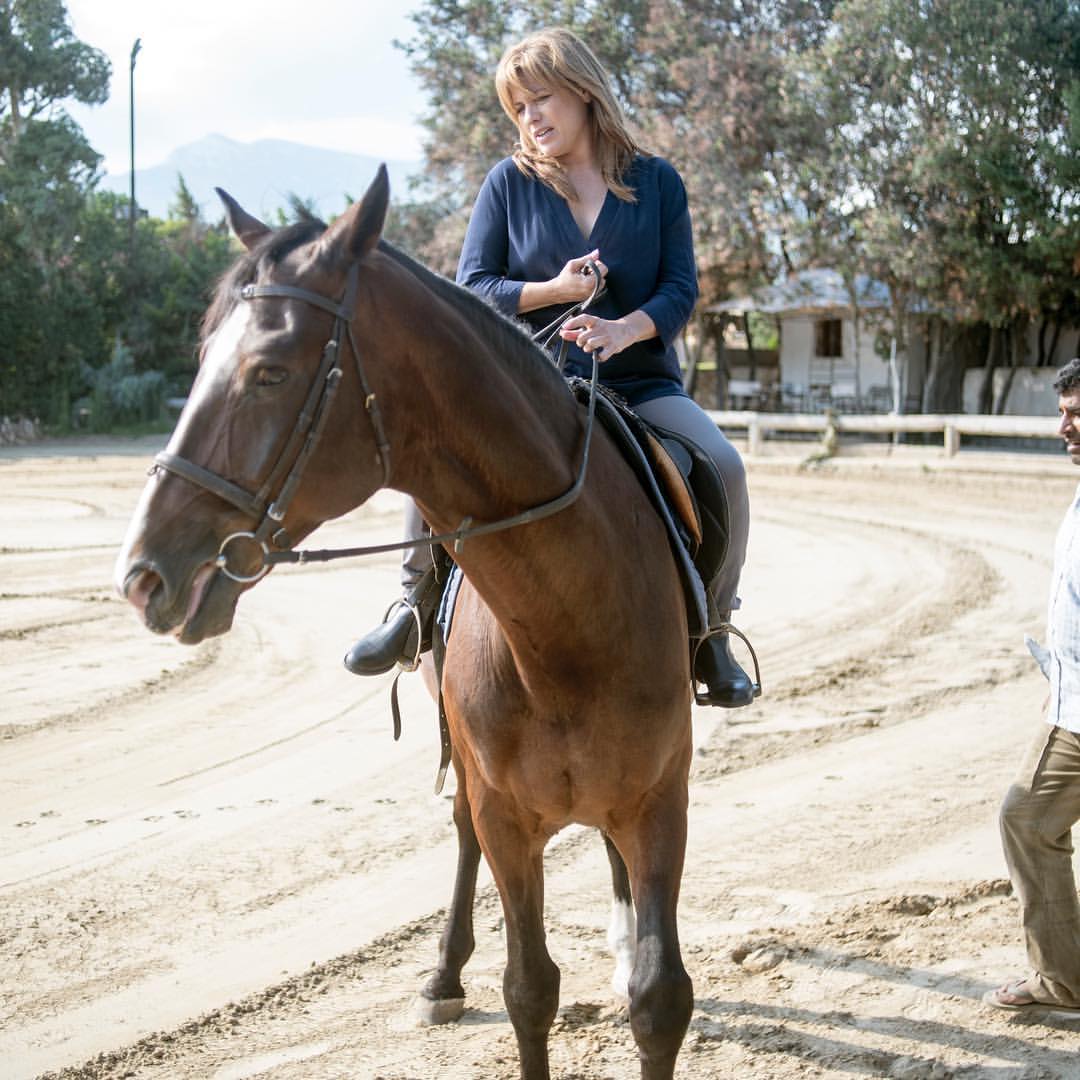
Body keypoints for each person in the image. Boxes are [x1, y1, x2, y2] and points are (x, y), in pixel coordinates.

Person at [344, 26, 754, 708]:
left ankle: (712, 633)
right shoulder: (508, 184)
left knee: (724, 467)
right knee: (435, 458)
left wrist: (625, 330)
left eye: (541, 99)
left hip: (641, 385)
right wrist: (555, 293)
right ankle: (411, 611)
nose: (530, 118)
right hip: (530, 391)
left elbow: (681, 289)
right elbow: (473, 288)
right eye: (519, 108)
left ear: (584, 93)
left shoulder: (658, 184)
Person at [984, 356, 1080, 1015]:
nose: (1063, 427)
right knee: (1028, 818)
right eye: (1061, 413)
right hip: (1072, 699)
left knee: (1026, 817)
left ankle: (1063, 980)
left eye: (1076, 415)